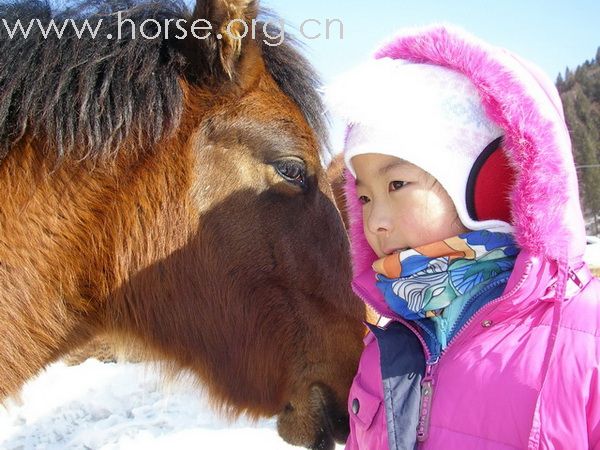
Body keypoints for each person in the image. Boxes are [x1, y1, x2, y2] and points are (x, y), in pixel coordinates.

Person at [325, 25, 600, 449]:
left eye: (397, 184)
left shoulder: (585, 337)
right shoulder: (385, 346)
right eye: (362, 196)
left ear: (484, 183)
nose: (375, 220)